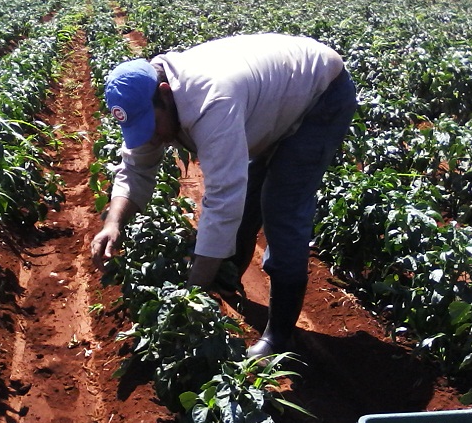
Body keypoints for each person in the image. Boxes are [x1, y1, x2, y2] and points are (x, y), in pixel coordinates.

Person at [90, 33, 358, 359]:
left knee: (282, 205)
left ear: (164, 93)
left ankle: (280, 335)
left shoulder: (211, 101)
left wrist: (192, 295)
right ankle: (228, 278)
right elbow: (135, 169)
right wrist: (113, 223)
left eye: (153, 126)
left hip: (319, 93)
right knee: (248, 196)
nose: (154, 138)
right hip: (269, 100)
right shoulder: (151, 102)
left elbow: (222, 200)